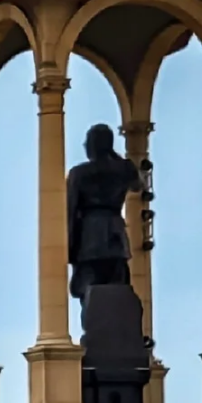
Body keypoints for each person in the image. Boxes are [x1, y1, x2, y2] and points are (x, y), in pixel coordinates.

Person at [67, 124, 142, 311]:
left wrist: (70, 247)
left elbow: (71, 210)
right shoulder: (122, 170)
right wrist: (115, 158)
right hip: (115, 234)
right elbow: (138, 185)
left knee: (90, 295)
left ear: (93, 145)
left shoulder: (80, 173)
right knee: (119, 291)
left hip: (89, 236)